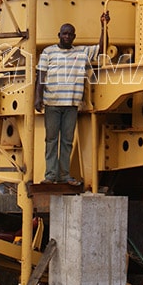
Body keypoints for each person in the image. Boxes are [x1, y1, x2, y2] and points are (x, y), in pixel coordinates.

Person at [35, 11, 109, 185]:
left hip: (72, 104)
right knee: (51, 140)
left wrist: (104, 26)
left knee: (67, 141)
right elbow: (40, 75)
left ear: (74, 36)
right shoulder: (48, 52)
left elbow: (102, 48)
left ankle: (64, 175)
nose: (67, 36)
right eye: (64, 33)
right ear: (59, 35)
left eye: (70, 34)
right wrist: (38, 98)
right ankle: (50, 175)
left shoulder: (81, 52)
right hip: (52, 102)